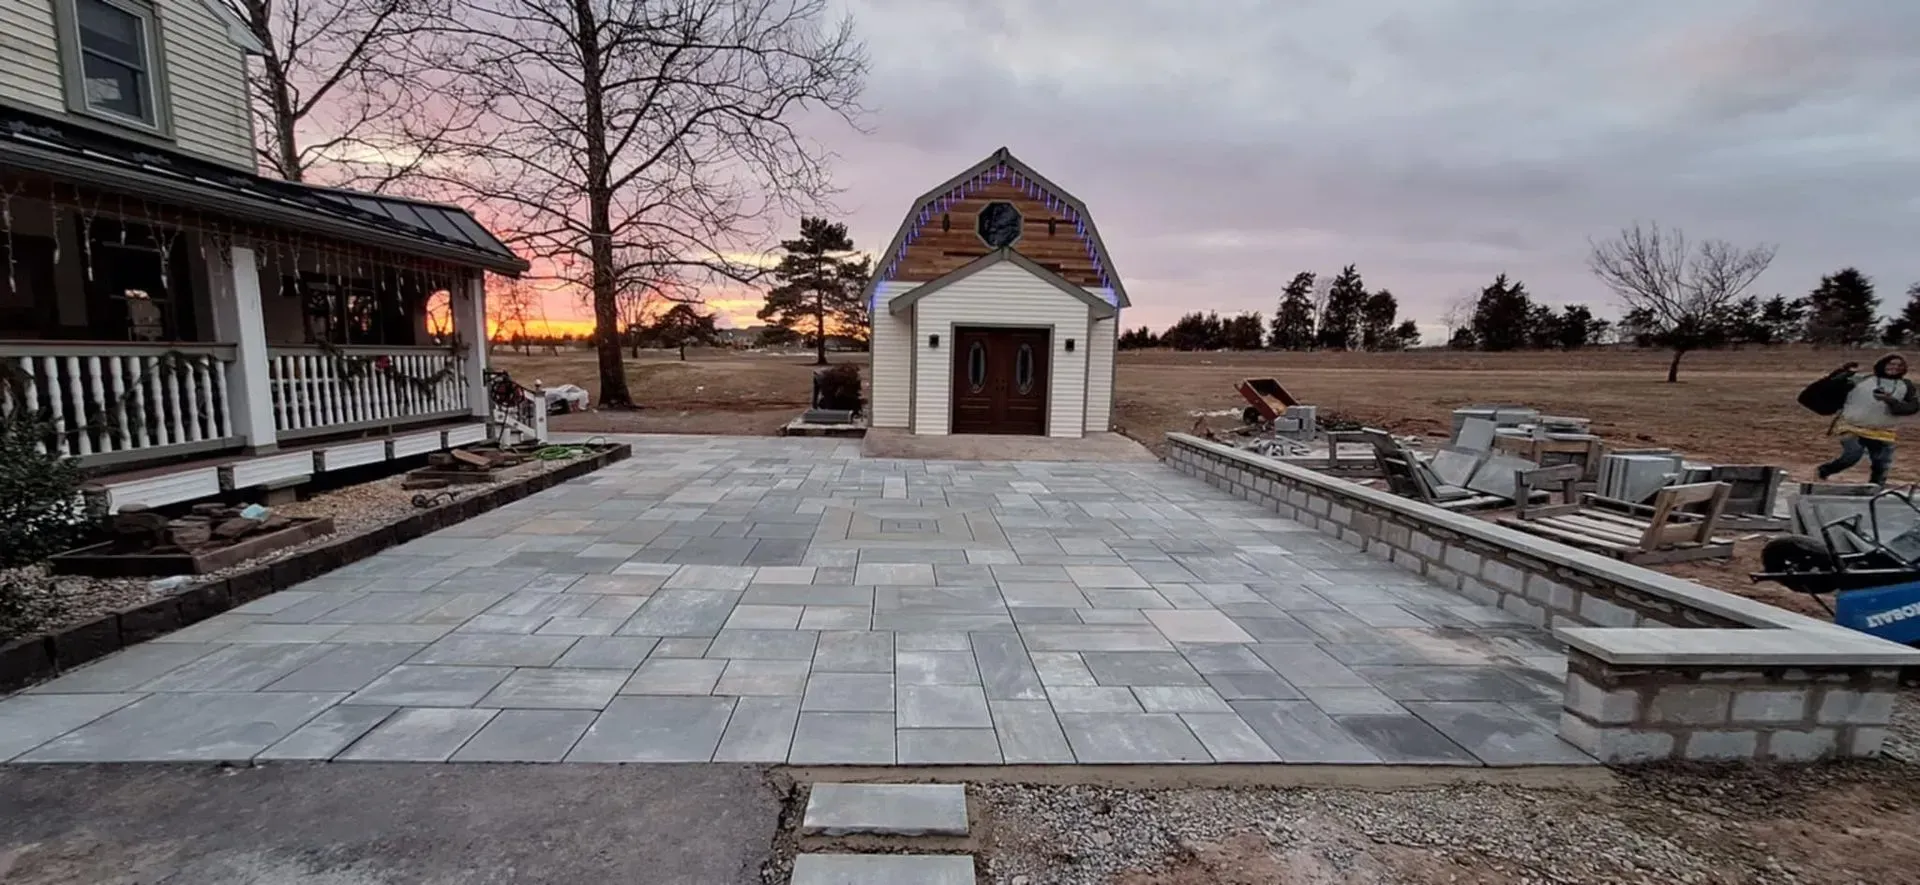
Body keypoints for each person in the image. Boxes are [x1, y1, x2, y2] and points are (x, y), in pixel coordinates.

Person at [1816, 354, 1920, 485]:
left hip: (1883, 431)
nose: (1895, 367)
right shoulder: (1862, 379)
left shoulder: (1906, 385)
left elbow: (1912, 407)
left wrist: (1891, 401)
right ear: (1882, 365)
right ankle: (1824, 471)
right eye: (1891, 364)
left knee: (1881, 463)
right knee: (1852, 454)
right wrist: (1843, 372)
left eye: (1899, 365)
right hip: (1851, 426)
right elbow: (1832, 384)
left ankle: (1876, 488)